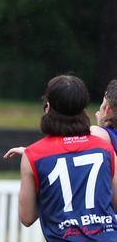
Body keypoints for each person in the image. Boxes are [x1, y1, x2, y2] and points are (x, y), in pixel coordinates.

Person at [15, 75, 117, 241]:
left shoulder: (34, 155)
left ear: (47, 107)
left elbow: (27, 217)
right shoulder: (104, 148)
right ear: (84, 109)